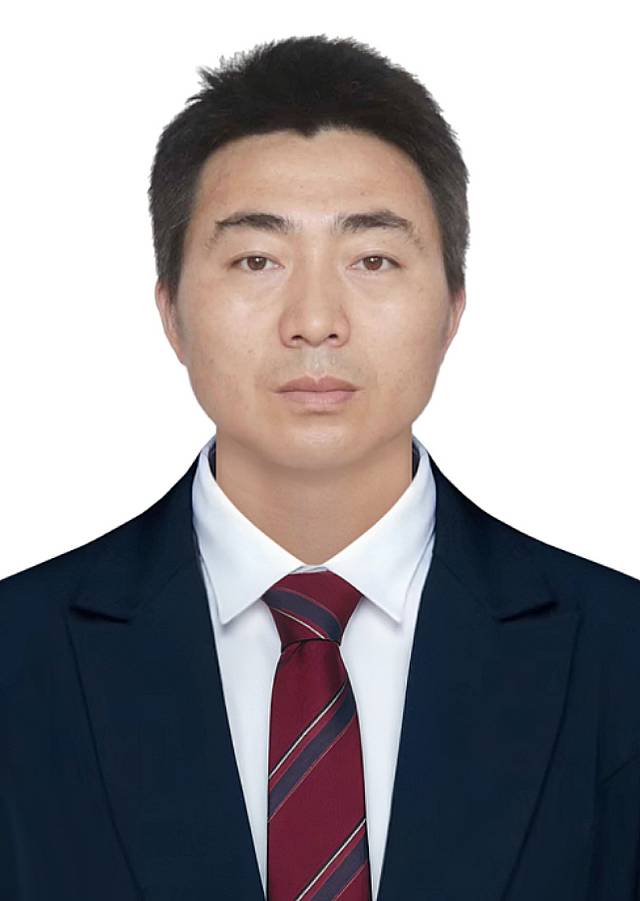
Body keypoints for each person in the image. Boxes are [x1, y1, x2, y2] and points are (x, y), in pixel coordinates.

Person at [1, 33, 639, 901]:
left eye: (372, 259)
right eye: (256, 260)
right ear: (172, 312)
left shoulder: (619, 656)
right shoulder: (18, 657)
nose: (314, 319)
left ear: (453, 307)